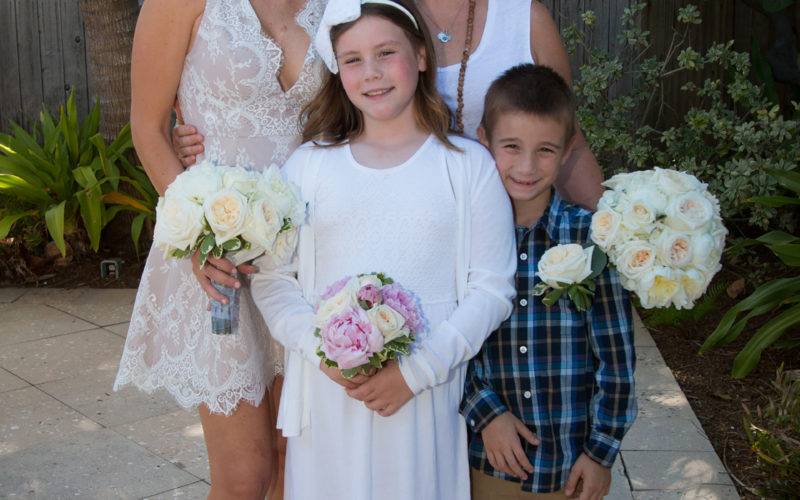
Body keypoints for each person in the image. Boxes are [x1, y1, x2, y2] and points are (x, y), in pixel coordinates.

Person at [249, 1, 517, 498]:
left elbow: (492, 288)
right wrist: (322, 353)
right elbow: (272, 277)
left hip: (423, 393)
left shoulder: (466, 167)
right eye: (352, 59)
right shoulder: (309, 166)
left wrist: (415, 372)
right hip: (330, 393)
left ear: (419, 55)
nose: (370, 73)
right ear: (336, 70)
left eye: (385, 52)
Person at [113, 0, 326, 498]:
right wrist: (195, 238)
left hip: (309, 256)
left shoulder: (338, 4)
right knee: (244, 477)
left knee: (294, 461)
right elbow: (148, 129)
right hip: (219, 260)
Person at [174, 0, 606, 209]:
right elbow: (306, 94)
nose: (373, 67)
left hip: (516, 225)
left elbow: (571, 142)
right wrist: (195, 129)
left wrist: (615, 235)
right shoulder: (363, 8)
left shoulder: (523, 17)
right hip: (411, 220)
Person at [461, 64, 637, 500]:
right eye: (511, 146)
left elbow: (617, 360)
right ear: (484, 140)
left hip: (570, 466)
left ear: (567, 149)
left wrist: (600, 453)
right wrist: (485, 413)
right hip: (488, 458)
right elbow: (448, 339)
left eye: (544, 149)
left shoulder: (593, 239)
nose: (526, 166)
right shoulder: (462, 238)